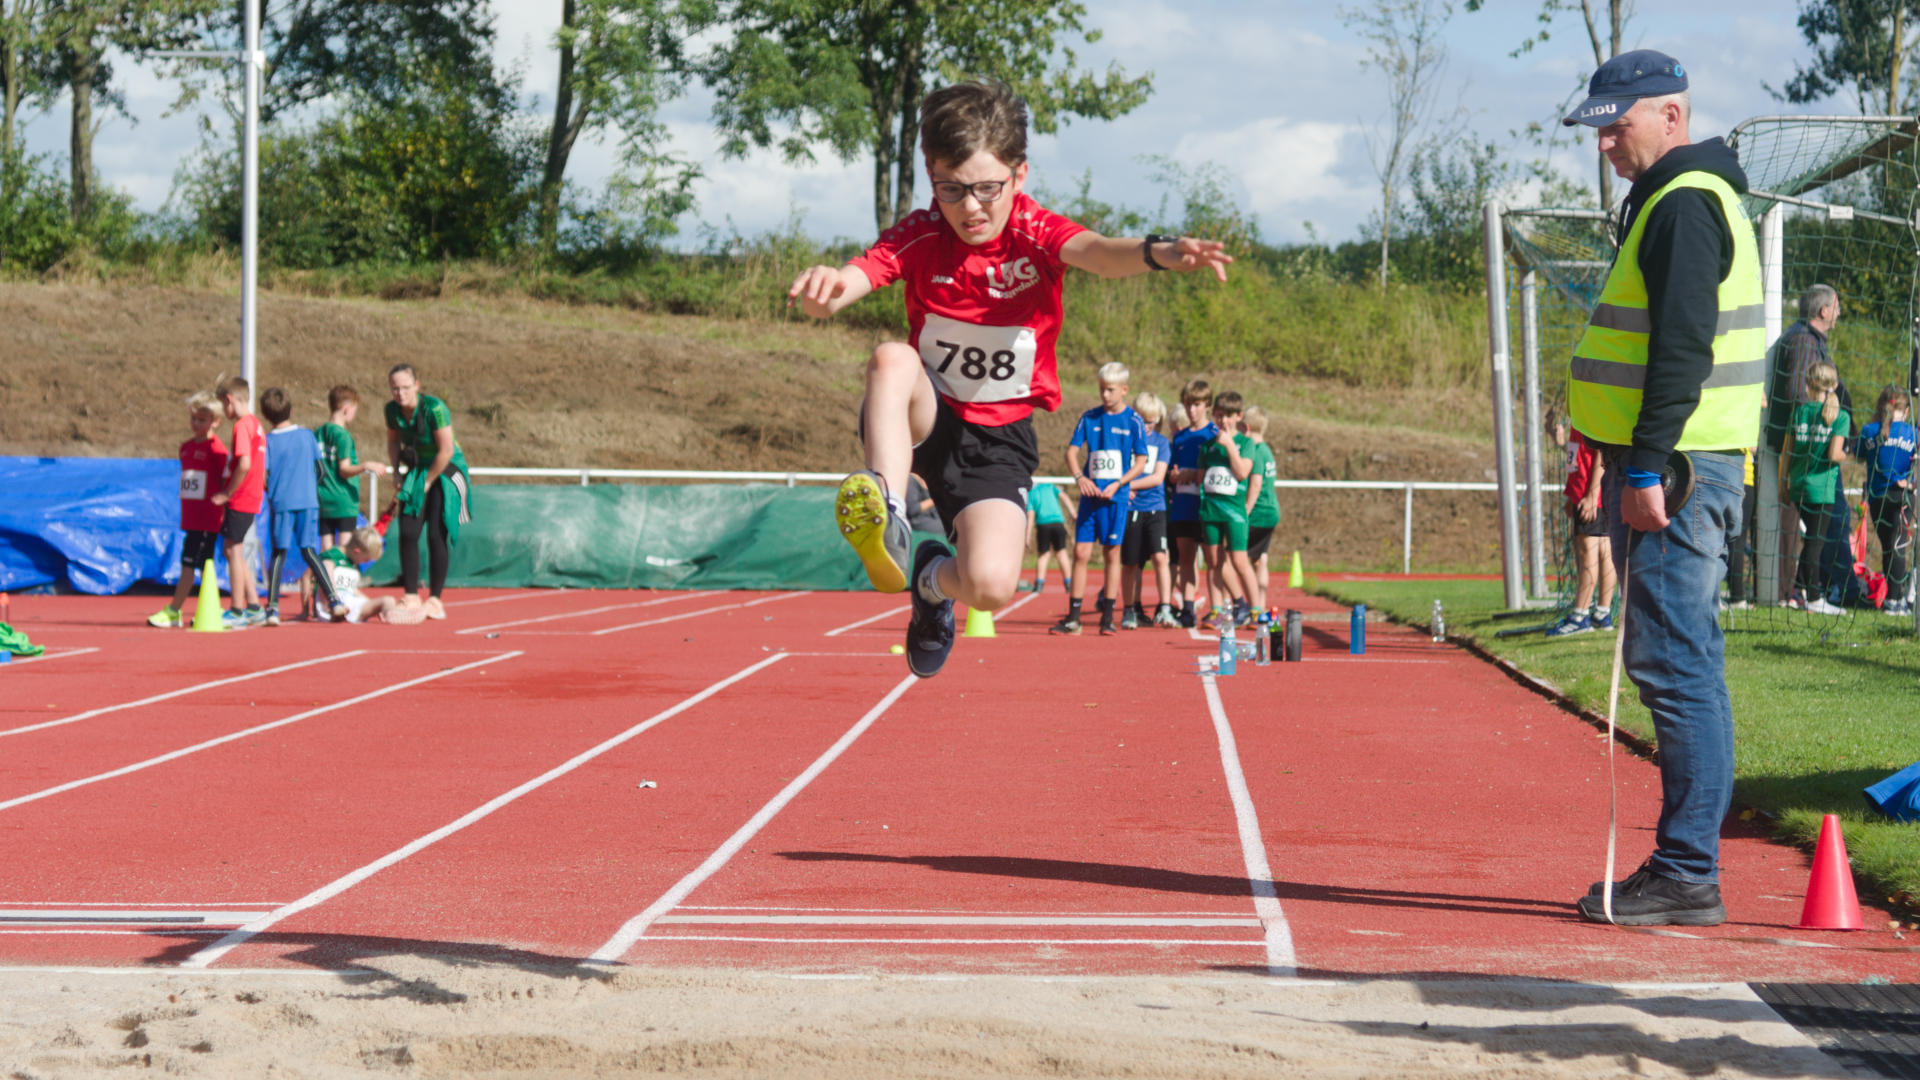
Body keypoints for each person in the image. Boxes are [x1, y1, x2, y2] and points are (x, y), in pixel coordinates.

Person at [787, 79, 1231, 676]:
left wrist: (1159, 252)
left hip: (998, 438)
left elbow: (1099, 252)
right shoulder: (922, 234)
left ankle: (930, 581)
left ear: (1019, 175)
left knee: (991, 586)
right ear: (931, 175)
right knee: (892, 358)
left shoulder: (1035, 233)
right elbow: (858, 276)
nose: (970, 207)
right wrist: (827, 289)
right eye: (950, 189)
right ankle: (888, 510)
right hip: (926, 412)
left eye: (986, 189)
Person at [1562, 51, 1767, 926]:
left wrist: (1645, 464)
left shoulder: (1684, 202)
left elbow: (1683, 343)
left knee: (1677, 664)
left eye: (1618, 125)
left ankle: (1687, 870)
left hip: (1679, 467)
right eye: (1598, 129)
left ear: (1671, 116)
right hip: (1681, 460)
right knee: (1682, 661)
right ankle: (1687, 865)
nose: (1605, 143)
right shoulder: (1677, 198)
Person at [1053, 362, 1151, 636]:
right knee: (1080, 553)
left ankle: (1107, 617)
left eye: (1110, 389)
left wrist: (1120, 483)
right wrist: (1080, 478)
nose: (1105, 395)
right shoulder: (1089, 417)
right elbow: (1071, 453)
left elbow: (1141, 462)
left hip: (1116, 498)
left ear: (1124, 390)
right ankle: (1073, 618)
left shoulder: (1134, 421)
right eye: (1101, 389)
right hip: (1090, 498)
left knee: (1112, 553)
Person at [385, 363, 473, 621]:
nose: (400, 393)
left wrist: (427, 482)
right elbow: (393, 441)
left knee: (436, 533)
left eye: (405, 387)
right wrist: (397, 472)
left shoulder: (435, 408)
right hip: (418, 470)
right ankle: (411, 595)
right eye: (395, 388)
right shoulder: (391, 410)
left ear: (417, 386)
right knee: (408, 530)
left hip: (446, 469)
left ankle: (435, 599)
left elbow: (446, 450)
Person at [148, 392, 229, 628]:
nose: (196, 424)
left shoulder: (217, 450)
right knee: (195, 564)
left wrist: (223, 509)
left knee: (198, 565)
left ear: (215, 421)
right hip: (191, 519)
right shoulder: (185, 448)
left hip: (208, 519)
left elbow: (225, 482)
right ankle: (200, 608)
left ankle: (179, 609)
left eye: (202, 420)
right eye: (193, 419)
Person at [1180, 391, 1257, 628]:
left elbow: (1242, 473)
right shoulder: (1207, 447)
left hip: (1234, 512)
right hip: (1210, 511)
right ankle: (1217, 610)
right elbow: (1201, 478)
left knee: (1239, 561)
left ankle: (1255, 610)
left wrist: (1230, 446)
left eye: (1228, 416)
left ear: (1238, 417)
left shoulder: (1246, 444)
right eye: (1219, 415)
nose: (1223, 421)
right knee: (1213, 561)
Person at [1779, 362, 1847, 614]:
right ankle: (1815, 598)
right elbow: (1834, 454)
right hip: (1821, 489)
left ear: (1807, 384)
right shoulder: (1840, 416)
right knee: (1815, 543)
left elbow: (1786, 452)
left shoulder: (1799, 412)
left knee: (1810, 540)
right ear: (1834, 385)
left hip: (1798, 485)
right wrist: (1847, 453)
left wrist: (1782, 483)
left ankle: (1797, 591)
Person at [1545, 411, 1617, 635]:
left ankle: (1580, 616)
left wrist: (1591, 494)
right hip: (1591, 494)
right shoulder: (1579, 418)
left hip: (1594, 496)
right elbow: (1578, 456)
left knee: (1588, 552)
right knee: (1604, 550)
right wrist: (1572, 494)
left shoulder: (1591, 412)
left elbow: (1601, 453)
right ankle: (1602, 613)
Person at [259, 387, 324, 626]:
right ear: (291, 410)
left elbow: (264, 476)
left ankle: (272, 607)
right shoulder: (307, 436)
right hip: (308, 502)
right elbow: (321, 470)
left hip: (282, 503)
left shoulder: (268, 441)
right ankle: (334, 599)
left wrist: (275, 491)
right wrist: (308, 487)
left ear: (266, 416)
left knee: (279, 553)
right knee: (309, 550)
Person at [212, 375, 268, 628]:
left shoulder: (242, 426)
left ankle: (236, 609)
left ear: (229, 400)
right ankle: (254, 605)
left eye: (223, 405)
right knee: (232, 549)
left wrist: (227, 492)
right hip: (252, 495)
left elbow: (244, 463)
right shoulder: (256, 424)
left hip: (242, 496)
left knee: (233, 550)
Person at [1120, 391, 1179, 629]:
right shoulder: (1125, 440)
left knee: (1160, 557)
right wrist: (1122, 487)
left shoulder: (1161, 443)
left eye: (1150, 422)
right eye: (1141, 420)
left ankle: (1165, 607)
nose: (1145, 426)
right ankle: (1131, 608)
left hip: (1155, 508)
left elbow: (1157, 477)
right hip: (1130, 509)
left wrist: (1126, 485)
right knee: (1131, 562)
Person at [1168, 379, 1223, 627]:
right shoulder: (1179, 437)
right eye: (1188, 404)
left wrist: (1192, 474)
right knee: (1185, 558)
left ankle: (1222, 606)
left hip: (1208, 506)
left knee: (1214, 560)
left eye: (1197, 405)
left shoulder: (1214, 434)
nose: (1192, 410)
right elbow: (1171, 469)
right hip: (1182, 504)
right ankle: (1188, 608)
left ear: (1207, 406)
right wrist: (1173, 475)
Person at [1859, 385, 1916, 615]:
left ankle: (1892, 599)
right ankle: (1895, 599)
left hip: (1877, 497)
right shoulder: (1913, 433)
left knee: (1888, 546)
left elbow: (1860, 455)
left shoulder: (1868, 430)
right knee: (1897, 545)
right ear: (1907, 409)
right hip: (1902, 495)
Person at [317, 385, 389, 552]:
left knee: (326, 548)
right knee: (345, 547)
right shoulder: (343, 436)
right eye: (354, 410)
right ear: (346, 409)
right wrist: (365, 466)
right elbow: (344, 469)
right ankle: (339, 569)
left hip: (323, 497)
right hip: (343, 499)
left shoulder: (318, 433)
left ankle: (325, 570)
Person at [313, 527, 426, 625]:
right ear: (357, 551)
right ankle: (337, 610)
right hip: (332, 603)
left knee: (388, 600)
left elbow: (353, 590)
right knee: (327, 566)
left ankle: (393, 615)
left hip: (351, 603)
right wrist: (307, 609)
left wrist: (373, 605)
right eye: (366, 559)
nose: (365, 562)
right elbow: (313, 578)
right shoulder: (330, 557)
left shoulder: (352, 563)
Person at [1241, 406, 1282, 615]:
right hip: (1271, 511)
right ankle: (1261, 604)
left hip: (1258, 513)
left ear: (1246, 427)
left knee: (1236, 558)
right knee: (1260, 559)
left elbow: (1256, 484)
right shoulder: (1266, 449)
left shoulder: (1255, 451)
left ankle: (1249, 605)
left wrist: (1245, 511)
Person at [1024, 480, 1072, 594]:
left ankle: (1039, 584)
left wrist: (1027, 535)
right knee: (1061, 553)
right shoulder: (1050, 487)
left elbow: (1030, 516)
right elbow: (1064, 497)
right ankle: (1069, 583)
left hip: (1043, 525)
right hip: (1058, 523)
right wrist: (1073, 512)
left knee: (1043, 555)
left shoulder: (1031, 494)